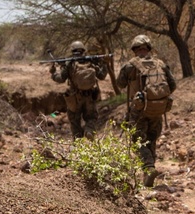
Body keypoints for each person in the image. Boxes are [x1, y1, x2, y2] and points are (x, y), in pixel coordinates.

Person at [119, 34, 177, 187]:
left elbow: (120, 84)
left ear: (134, 49)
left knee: (138, 141)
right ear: (148, 48)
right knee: (152, 139)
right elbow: (173, 85)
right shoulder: (160, 64)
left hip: (138, 110)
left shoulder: (130, 66)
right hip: (157, 109)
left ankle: (148, 168)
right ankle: (148, 174)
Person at [49, 41, 109, 140]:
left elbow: (61, 79)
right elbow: (102, 76)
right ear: (83, 50)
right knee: (91, 118)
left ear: (72, 50)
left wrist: (53, 73)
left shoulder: (70, 63)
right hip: (90, 97)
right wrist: (105, 64)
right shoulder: (90, 62)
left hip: (75, 98)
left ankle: (78, 143)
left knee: (74, 121)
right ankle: (89, 130)